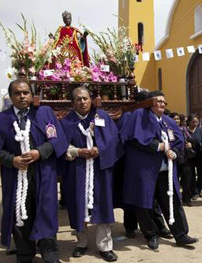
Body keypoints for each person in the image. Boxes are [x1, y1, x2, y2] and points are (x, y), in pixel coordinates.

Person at [0, 79, 68, 263]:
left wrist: (40, 152)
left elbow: (58, 140)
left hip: (43, 174)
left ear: (32, 95)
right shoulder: (0, 120)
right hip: (15, 176)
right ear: (11, 97)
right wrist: (12, 160)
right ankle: (24, 254)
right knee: (19, 213)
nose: (22, 96)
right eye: (17, 93)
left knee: (46, 212)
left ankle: (50, 253)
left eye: (25, 92)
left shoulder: (44, 113)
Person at [120, 90, 198, 250]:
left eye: (164, 101)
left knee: (173, 201)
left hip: (166, 171)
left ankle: (181, 234)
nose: (162, 104)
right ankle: (151, 235)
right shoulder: (139, 116)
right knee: (145, 203)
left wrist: (174, 152)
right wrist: (157, 146)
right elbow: (133, 139)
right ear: (150, 103)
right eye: (159, 101)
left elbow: (179, 141)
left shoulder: (169, 121)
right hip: (145, 170)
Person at [60, 86, 123, 262]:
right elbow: (59, 146)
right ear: (73, 103)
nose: (83, 102)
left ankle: (105, 246)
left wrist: (100, 149)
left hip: (99, 170)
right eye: (78, 99)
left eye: (85, 98)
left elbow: (114, 141)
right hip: (77, 170)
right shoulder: (66, 122)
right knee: (78, 205)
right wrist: (78, 151)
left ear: (91, 99)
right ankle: (81, 242)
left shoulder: (102, 118)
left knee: (103, 205)